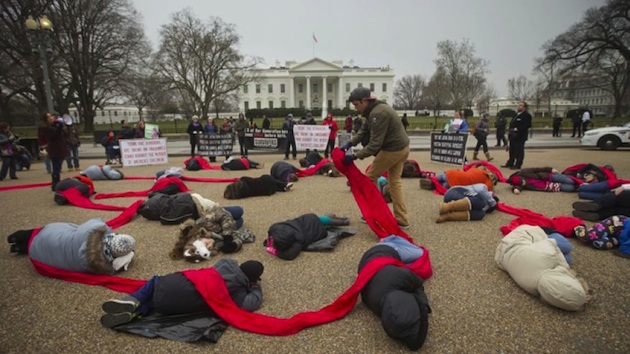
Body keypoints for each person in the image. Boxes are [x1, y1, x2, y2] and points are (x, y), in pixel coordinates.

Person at [99, 259, 264, 328]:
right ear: (252, 279)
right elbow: (250, 304)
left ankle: (133, 300)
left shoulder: (225, 264)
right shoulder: (238, 292)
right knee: (157, 304)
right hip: (170, 306)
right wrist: (255, 287)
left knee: (155, 282)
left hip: (171, 283)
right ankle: (136, 313)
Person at [341, 87, 411, 228]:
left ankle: (375, 214)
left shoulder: (377, 114)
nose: (355, 108)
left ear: (365, 101)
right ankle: (402, 219)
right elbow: (363, 131)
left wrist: (354, 156)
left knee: (369, 178)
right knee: (394, 183)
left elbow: (374, 144)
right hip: (403, 148)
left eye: (356, 104)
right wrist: (350, 143)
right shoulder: (374, 110)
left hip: (392, 150)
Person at [357, 236, 431, 350]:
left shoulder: (399, 276)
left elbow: (417, 283)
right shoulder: (376, 304)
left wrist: (422, 304)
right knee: (420, 255)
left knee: (421, 253)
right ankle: (390, 238)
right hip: (366, 263)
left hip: (386, 249)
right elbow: (417, 285)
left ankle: (389, 238)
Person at [495, 225, 590, 311]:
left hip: (521, 236)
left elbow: (551, 244)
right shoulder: (534, 288)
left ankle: (552, 232)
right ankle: (553, 232)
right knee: (568, 250)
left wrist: (568, 271)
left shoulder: (546, 257)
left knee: (566, 254)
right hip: (502, 255)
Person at [7, 218, 136, 274]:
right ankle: (21, 248)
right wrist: (129, 254)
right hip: (38, 255)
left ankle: (19, 236)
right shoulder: (97, 266)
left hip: (48, 235)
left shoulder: (94, 227)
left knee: (62, 229)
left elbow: (96, 220)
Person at [263, 213, 354, 260]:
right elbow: (273, 232)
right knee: (321, 219)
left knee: (324, 225)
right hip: (308, 218)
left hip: (318, 230)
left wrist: (276, 252)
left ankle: (343, 222)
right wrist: (270, 241)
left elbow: (290, 255)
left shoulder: (298, 240)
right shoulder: (277, 227)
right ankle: (335, 218)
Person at [38, 112, 69, 191]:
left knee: (57, 167)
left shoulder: (52, 126)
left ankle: (56, 183)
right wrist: (59, 127)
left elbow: (61, 134)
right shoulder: (45, 127)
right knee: (56, 168)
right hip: (55, 149)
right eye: (49, 117)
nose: (52, 117)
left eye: (51, 116)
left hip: (59, 149)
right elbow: (53, 136)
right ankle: (55, 184)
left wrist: (59, 126)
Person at [501, 101, 532, 170]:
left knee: (519, 151)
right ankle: (510, 162)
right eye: (518, 105)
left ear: (524, 107)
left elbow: (528, 125)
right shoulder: (516, 115)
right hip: (513, 135)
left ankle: (518, 164)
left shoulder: (526, 115)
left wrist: (517, 129)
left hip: (520, 136)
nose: (519, 106)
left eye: (521, 105)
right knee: (512, 150)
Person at [419, 165, 498, 192]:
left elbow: (468, 170)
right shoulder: (487, 182)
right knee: (442, 185)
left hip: (451, 173)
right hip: (455, 183)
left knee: (440, 177)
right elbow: (487, 190)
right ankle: (432, 186)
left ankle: (431, 180)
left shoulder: (478, 170)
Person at [507, 167, 577, 194]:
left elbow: (538, 169)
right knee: (571, 188)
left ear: (521, 177)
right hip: (549, 186)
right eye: (522, 184)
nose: (524, 183)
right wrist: (515, 190)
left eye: (523, 181)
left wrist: (550, 169)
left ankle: (581, 180)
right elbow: (517, 187)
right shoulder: (519, 184)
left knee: (571, 181)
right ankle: (582, 187)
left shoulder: (524, 172)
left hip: (549, 177)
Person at [223, 174, 293, 199]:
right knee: (269, 179)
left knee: (273, 186)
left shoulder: (243, 194)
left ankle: (282, 187)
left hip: (268, 192)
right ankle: (284, 185)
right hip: (266, 181)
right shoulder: (244, 179)